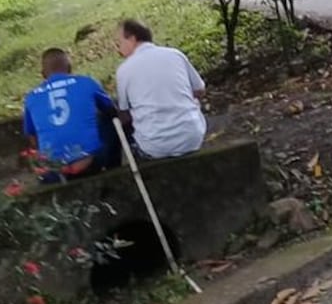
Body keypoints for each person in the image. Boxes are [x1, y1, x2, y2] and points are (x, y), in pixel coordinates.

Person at [114, 18, 207, 159]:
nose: (119, 50)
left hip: (154, 147)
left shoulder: (124, 70)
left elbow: (124, 113)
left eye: (119, 43)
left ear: (132, 39)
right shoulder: (175, 54)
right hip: (192, 138)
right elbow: (199, 90)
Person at [22, 49, 118, 181]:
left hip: (53, 170)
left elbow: (31, 136)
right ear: (70, 68)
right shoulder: (87, 82)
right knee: (111, 119)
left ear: (43, 74)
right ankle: (114, 171)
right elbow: (111, 110)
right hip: (92, 161)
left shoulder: (31, 97)